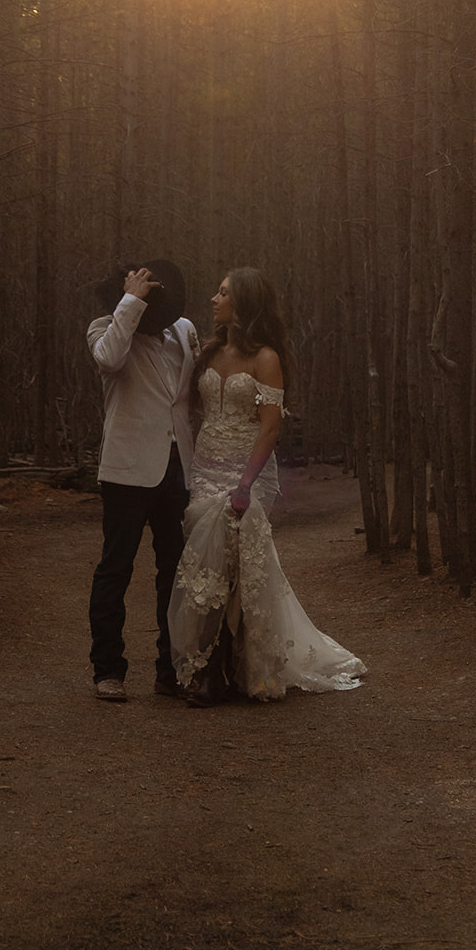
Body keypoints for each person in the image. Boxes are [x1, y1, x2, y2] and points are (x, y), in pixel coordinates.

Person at [168, 268, 366, 705]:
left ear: (244, 304)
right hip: (204, 469)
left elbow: (270, 429)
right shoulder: (210, 351)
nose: (214, 299)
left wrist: (244, 484)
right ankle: (213, 665)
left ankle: (227, 670)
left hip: (246, 472)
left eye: (223, 293)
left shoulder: (266, 358)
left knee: (237, 567)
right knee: (208, 565)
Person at [87, 260, 199, 702]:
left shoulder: (184, 331)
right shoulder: (106, 327)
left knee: (175, 572)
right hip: (127, 471)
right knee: (116, 568)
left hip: (178, 469)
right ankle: (107, 670)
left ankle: (169, 668)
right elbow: (109, 359)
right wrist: (131, 301)